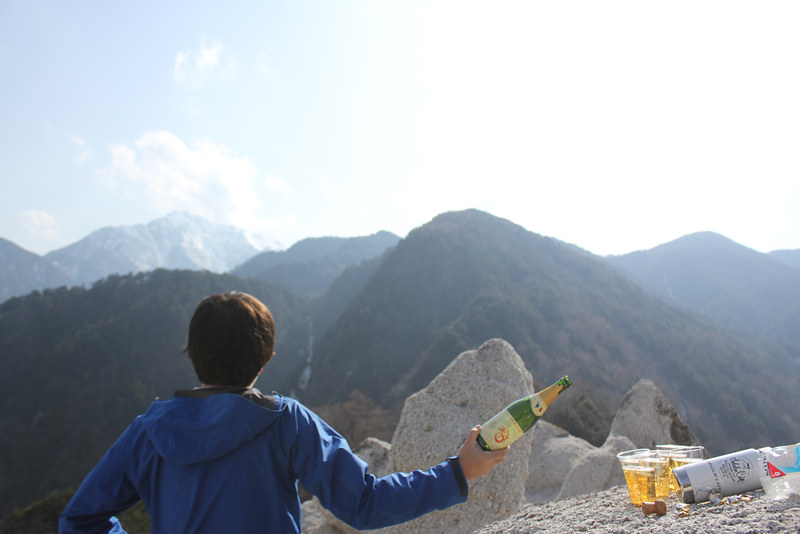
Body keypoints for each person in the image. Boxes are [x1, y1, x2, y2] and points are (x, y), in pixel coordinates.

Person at [59, 291, 508, 533]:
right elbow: (365, 505)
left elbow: (79, 521)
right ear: (265, 359)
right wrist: (460, 471)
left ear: (192, 355)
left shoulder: (149, 432)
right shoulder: (284, 422)